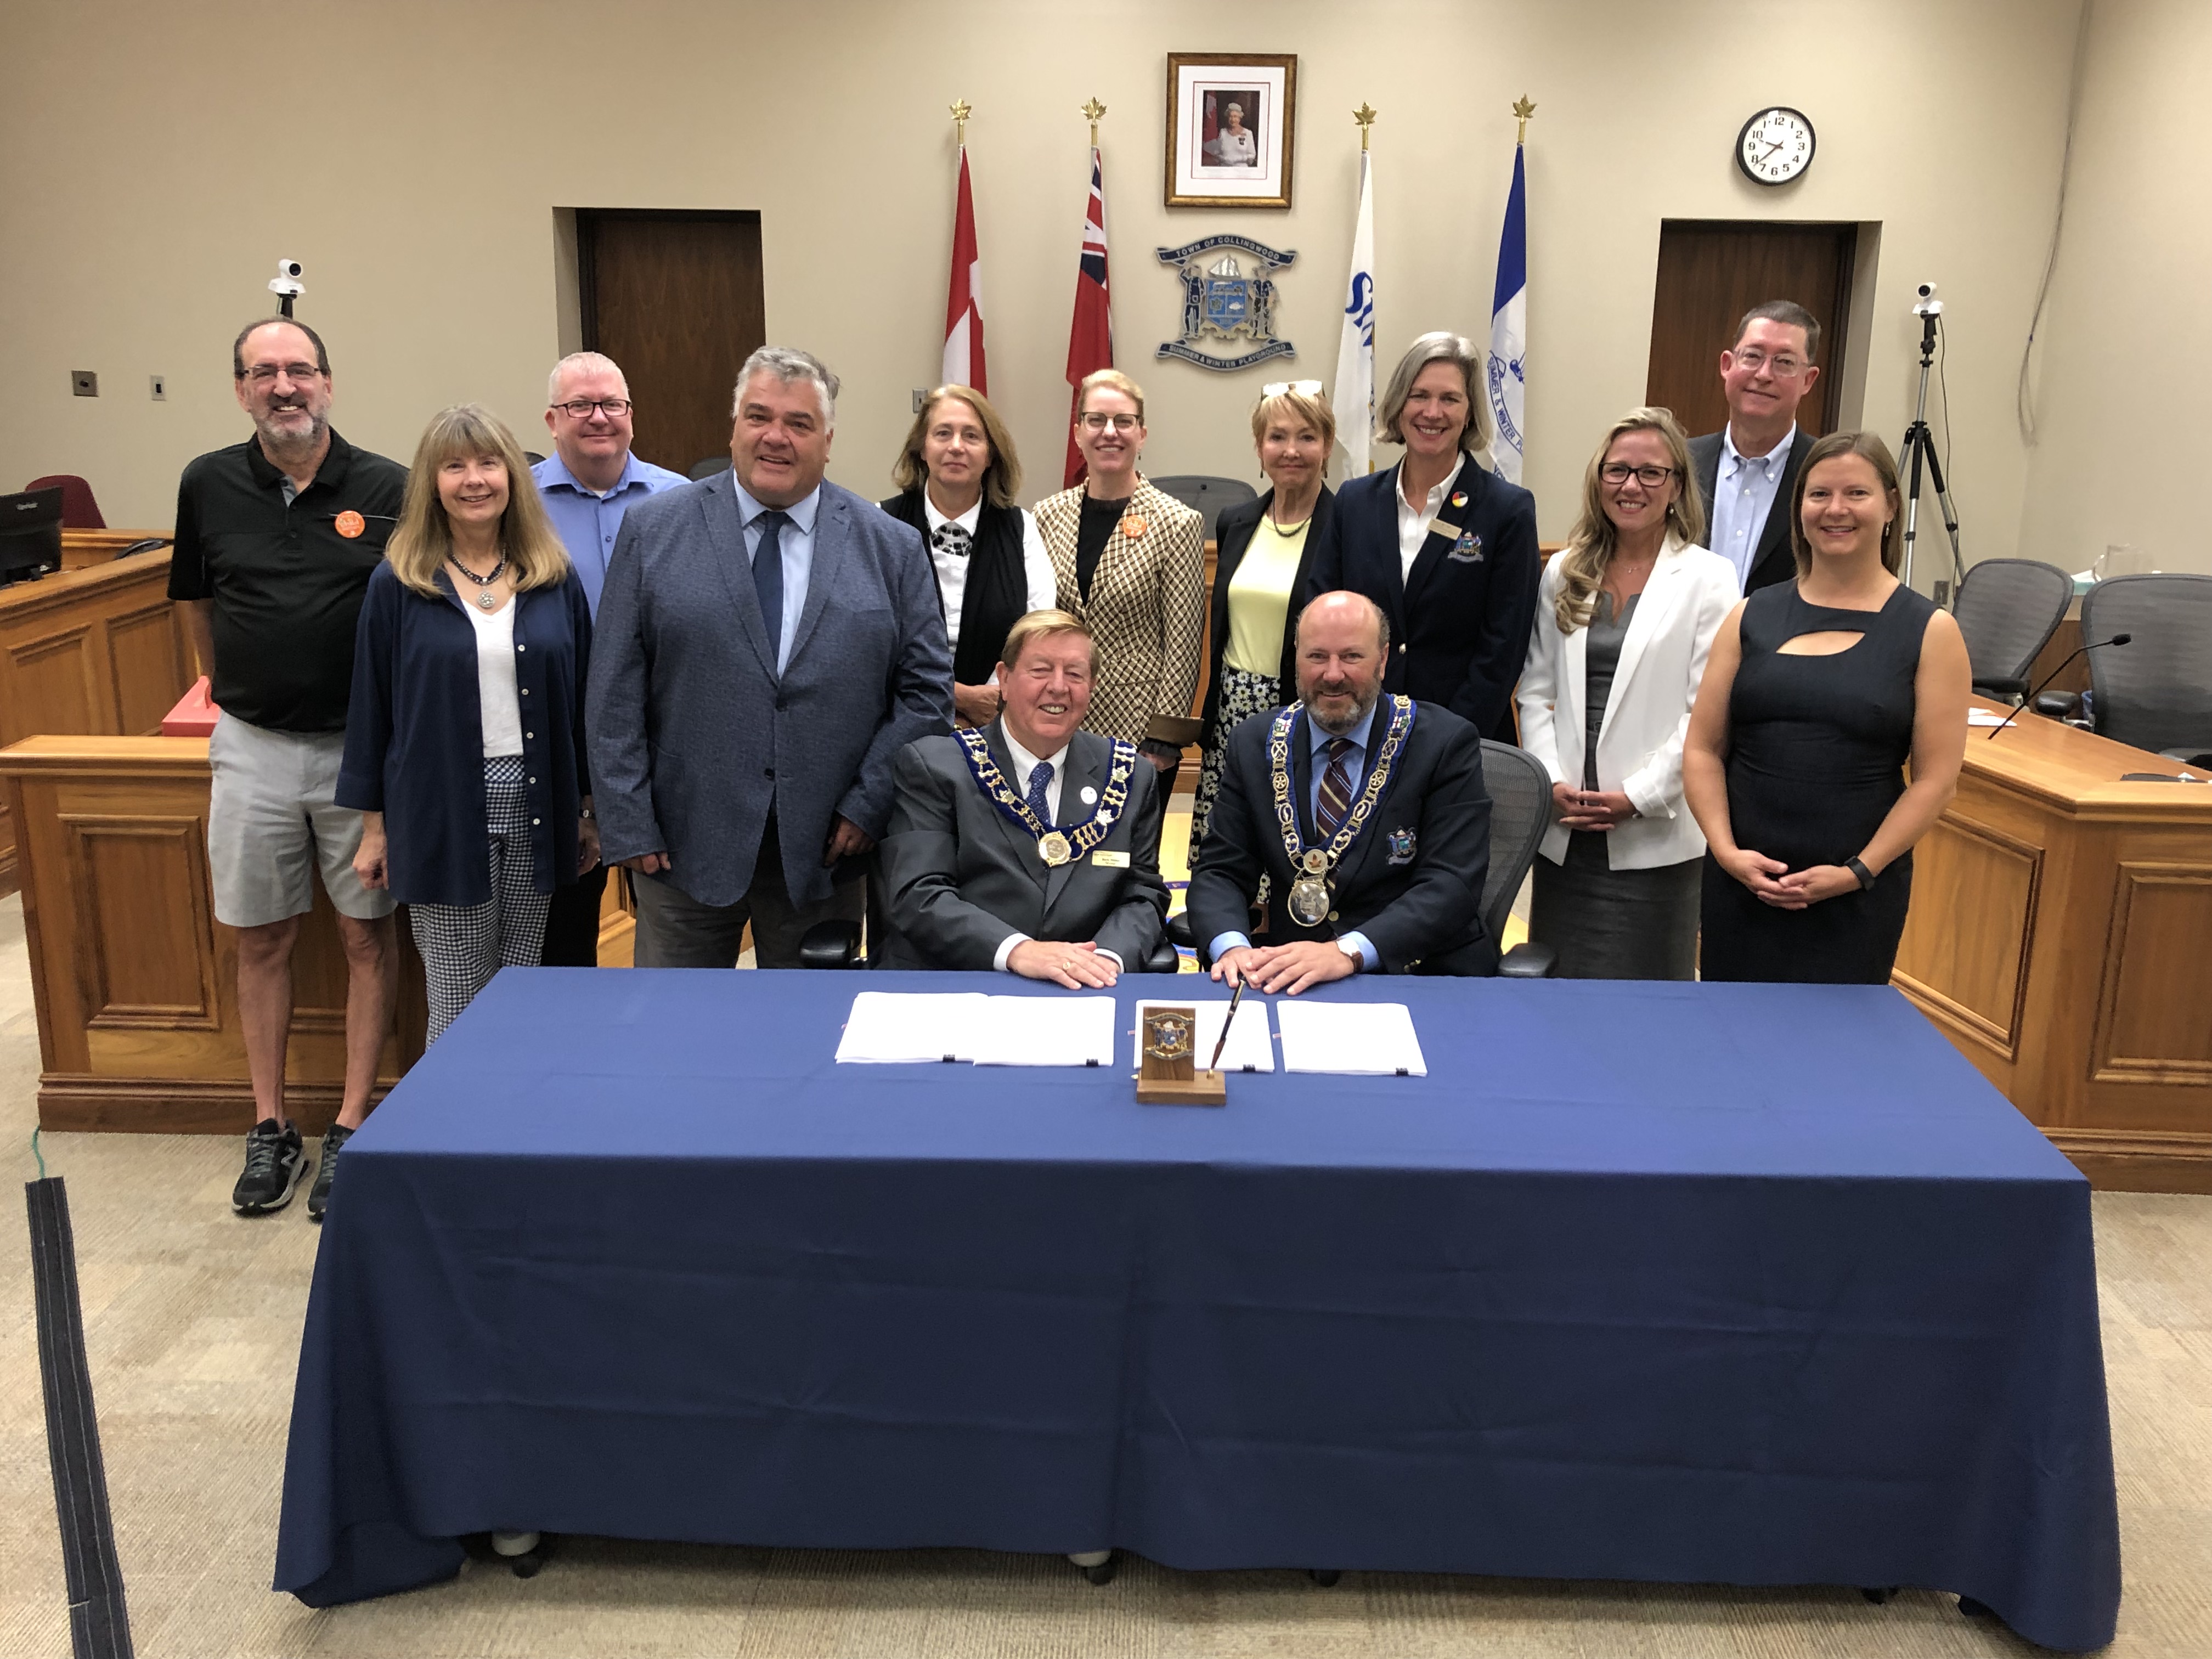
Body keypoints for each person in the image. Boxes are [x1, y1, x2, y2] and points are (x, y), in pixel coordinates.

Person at [587, 346, 952, 968]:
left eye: (799, 423)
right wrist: (628, 820)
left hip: (825, 851)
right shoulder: (654, 532)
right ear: (733, 427)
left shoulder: (891, 547)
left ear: (828, 440)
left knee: (807, 1045)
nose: (775, 437)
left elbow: (925, 695)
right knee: (674, 1039)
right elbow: (614, 689)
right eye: (758, 417)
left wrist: (867, 803)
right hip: (680, 845)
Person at [167, 317, 403, 1220]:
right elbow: (195, 600)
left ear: (329, 383)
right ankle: (270, 1124)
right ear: (240, 391)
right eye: (263, 373)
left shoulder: (387, 485)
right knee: (261, 935)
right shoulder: (208, 482)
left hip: (359, 750)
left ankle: (350, 1121)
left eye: (298, 370)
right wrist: (229, 687)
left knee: (362, 934)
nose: (283, 387)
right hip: (254, 744)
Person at [340, 399, 594, 1073]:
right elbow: (372, 711)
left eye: (488, 463)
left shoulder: (553, 578)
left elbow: (582, 705)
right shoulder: (398, 584)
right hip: (440, 807)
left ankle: (511, 1136)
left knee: (522, 987)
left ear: (514, 476)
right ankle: (450, 1146)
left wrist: (589, 811)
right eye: (454, 466)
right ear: (432, 483)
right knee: (458, 996)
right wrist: (375, 827)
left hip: (540, 802)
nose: (474, 479)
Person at [1684, 431, 1971, 984]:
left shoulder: (1930, 631)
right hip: (1741, 887)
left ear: (1891, 505)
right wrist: (1724, 850)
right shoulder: (1750, 616)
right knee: (1733, 1047)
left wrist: (1858, 872)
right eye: (1818, 495)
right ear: (1799, 508)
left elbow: (1936, 781)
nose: (1836, 510)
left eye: (1856, 494)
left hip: (1854, 896)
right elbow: (1702, 749)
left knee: (1838, 1058)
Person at [1516, 409, 1740, 980]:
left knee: (1646, 1002)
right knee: (1558, 989)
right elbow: (1537, 690)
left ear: (1677, 487)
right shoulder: (1565, 570)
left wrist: (1637, 795)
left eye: (1650, 473)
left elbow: (1704, 713)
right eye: (1617, 471)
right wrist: (1552, 783)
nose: (1631, 486)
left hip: (1654, 832)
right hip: (1569, 829)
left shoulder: (1709, 579)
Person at [1188, 591, 1493, 992]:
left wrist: (1348, 952)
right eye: (1317, 656)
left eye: (1351, 657)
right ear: (1296, 657)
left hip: (1419, 975)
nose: (1333, 674)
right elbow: (1220, 870)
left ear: (1383, 659)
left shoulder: (1444, 743)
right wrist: (1232, 947)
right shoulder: (1255, 742)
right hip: (1291, 976)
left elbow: (1451, 885)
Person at [879, 611, 1169, 978]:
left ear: (1092, 686)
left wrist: (1106, 961)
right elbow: (918, 895)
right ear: (1004, 678)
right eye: (1041, 670)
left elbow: (1143, 897)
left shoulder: (1129, 775)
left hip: (1083, 990)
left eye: (1075, 674)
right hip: (959, 980)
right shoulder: (935, 766)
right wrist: (1018, 950)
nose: (1059, 687)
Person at [1307, 331, 1540, 744]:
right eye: (1419, 396)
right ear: (1399, 405)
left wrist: (1442, 745)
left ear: (1469, 413)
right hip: (1359, 732)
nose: (1433, 412)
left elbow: (1502, 651)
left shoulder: (1507, 511)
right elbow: (1322, 616)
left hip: (1464, 740)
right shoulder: (1354, 502)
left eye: (1450, 398)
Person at [531, 351, 686, 967]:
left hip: (661, 736)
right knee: (565, 928)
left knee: (673, 919)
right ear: (551, 419)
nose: (599, 417)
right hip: (558, 737)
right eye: (580, 406)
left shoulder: (682, 500)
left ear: (631, 414)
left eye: (612, 405)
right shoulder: (520, 504)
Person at [1031, 369, 1206, 796]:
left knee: (1126, 862)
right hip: (1057, 721)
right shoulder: (1045, 516)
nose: (1110, 432)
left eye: (1123, 422)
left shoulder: (1177, 523)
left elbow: (1183, 643)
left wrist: (1163, 740)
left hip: (1137, 732)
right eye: (1096, 420)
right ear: (1078, 433)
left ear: (1142, 435)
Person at [1192, 382, 1337, 860]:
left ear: (1327, 445)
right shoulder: (1236, 521)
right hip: (1232, 708)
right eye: (1277, 437)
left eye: (1307, 436)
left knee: (1290, 845)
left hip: (1304, 706)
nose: (1291, 450)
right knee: (1227, 846)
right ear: (1259, 448)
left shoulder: (1347, 524)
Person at [878, 385, 1056, 728]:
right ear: (922, 449)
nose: (956, 446)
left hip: (996, 722)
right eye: (943, 433)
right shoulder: (883, 524)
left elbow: (1037, 630)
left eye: (971, 436)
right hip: (895, 718)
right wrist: (958, 696)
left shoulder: (1022, 529)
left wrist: (990, 701)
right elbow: (870, 639)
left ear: (990, 455)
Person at [1689, 301, 1824, 596]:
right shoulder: (1681, 463)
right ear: (1727, 365)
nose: (1764, 374)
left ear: (1808, 380)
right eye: (1752, 356)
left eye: (1785, 362)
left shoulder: (1825, 473)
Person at [1205, 101, 1257, 166]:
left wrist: (1236, 159)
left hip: (1241, 171)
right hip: (1225, 170)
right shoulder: (1223, 133)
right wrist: (1225, 159)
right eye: (1230, 116)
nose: (1233, 119)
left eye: (1235, 117)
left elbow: (1252, 155)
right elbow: (1217, 153)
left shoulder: (1248, 133)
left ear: (1240, 118)